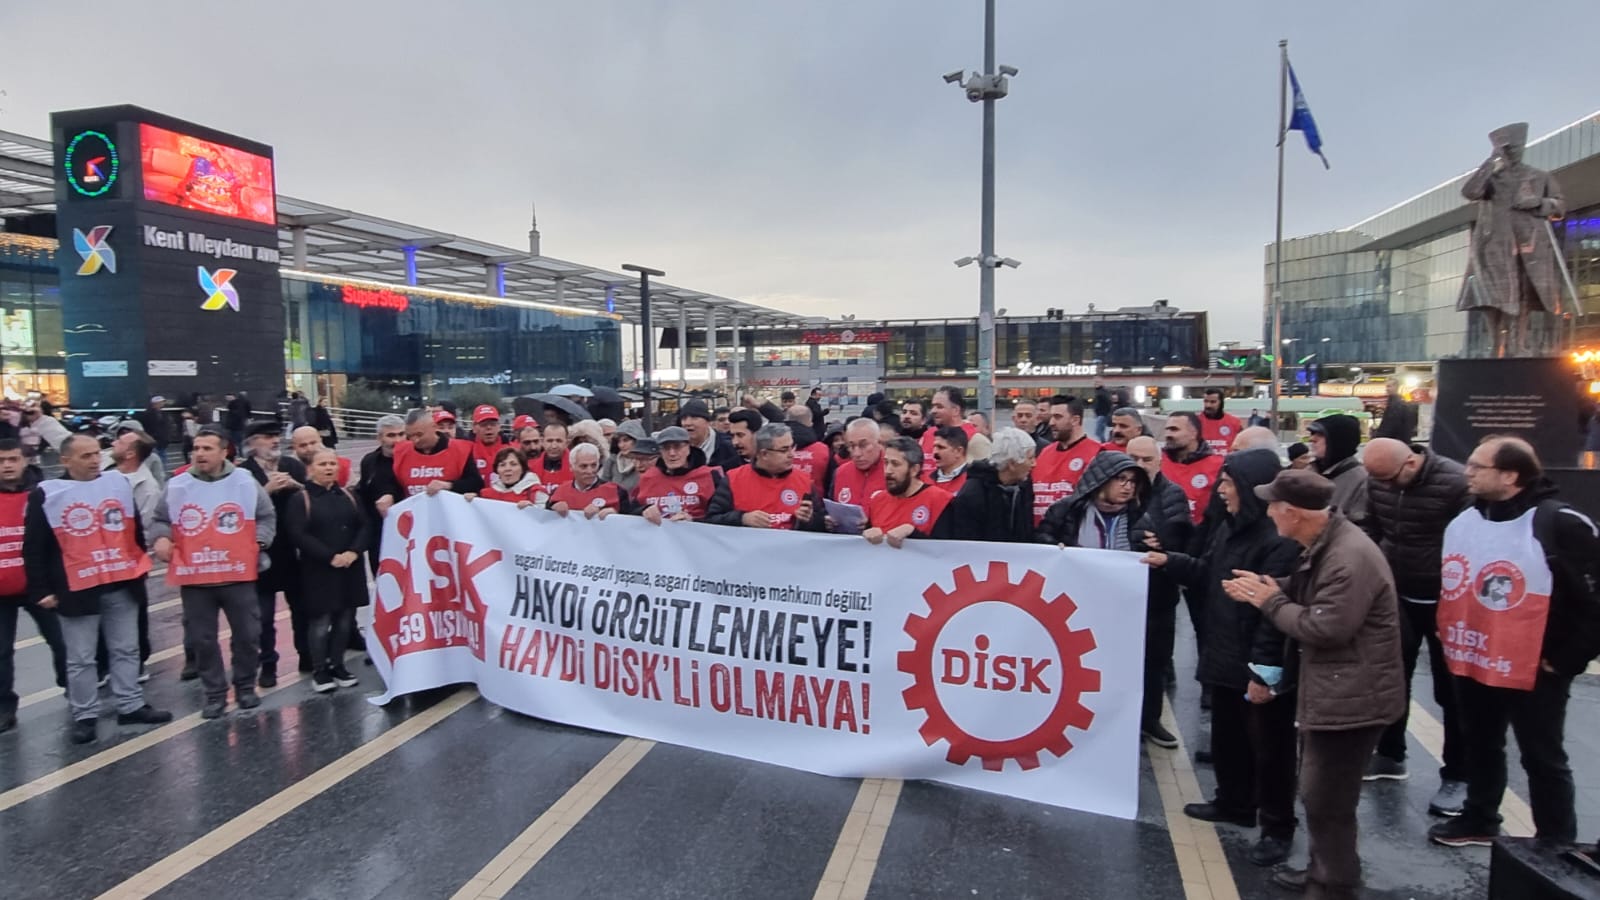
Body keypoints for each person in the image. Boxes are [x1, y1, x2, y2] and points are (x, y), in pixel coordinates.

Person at [1224, 468, 1405, 898]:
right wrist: (1273, 586)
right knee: (1322, 795)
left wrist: (1270, 600)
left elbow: (1325, 628)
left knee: (1328, 799)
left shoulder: (1347, 557)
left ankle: (1333, 884)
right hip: (1341, 690)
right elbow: (1312, 590)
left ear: (1294, 513)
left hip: (1352, 698)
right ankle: (1323, 871)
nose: (1268, 513)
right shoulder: (1328, 543)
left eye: (1273, 506)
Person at [1427, 437, 1600, 849]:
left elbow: (1593, 602)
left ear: (1510, 475)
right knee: (1480, 742)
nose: (1467, 472)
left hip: (1536, 665)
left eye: (1477, 466)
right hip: (1475, 655)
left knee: (1541, 755)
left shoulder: (1561, 524)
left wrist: (1566, 659)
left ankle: (1556, 840)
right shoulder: (1467, 519)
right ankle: (1480, 817)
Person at [1145, 449, 1301, 867]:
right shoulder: (1230, 528)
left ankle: (1277, 828)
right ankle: (1234, 801)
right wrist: (1169, 561)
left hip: (1255, 661)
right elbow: (1207, 573)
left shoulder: (1278, 540)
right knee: (1229, 738)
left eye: (1228, 484)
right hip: (1225, 654)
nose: (1221, 491)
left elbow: (1273, 617)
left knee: (1270, 749)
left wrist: (1265, 673)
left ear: (1249, 488)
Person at [22, 434, 170, 743]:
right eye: (85, 455)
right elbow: (34, 547)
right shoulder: (48, 494)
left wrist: (139, 568)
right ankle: (85, 715)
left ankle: (130, 704)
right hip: (76, 588)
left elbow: (133, 531)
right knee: (81, 657)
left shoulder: (117, 484)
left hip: (121, 582)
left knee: (127, 648)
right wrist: (41, 590)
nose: (94, 460)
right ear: (65, 460)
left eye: (95, 453)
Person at [1360, 438, 1472, 812]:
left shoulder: (1456, 483)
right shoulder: (1378, 480)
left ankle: (1458, 773)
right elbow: (1372, 527)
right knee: (1392, 676)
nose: (1385, 486)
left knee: (1451, 691)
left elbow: (1471, 543)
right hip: (1397, 592)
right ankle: (1390, 752)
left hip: (1447, 598)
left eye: (1389, 478)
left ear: (1410, 463)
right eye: (1378, 480)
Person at [1127, 435, 1194, 749]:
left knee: (1154, 663)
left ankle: (1150, 720)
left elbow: (1175, 538)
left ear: (1159, 461)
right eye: (1133, 459)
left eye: (1146, 460)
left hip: (1159, 595)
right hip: (1121, 595)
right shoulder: (1116, 488)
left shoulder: (1173, 493)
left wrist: (1154, 539)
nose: (1139, 466)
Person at [283, 448, 369, 694]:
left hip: (350, 567)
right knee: (320, 622)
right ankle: (320, 670)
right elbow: (298, 534)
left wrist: (353, 552)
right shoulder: (301, 499)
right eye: (322, 464)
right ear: (310, 469)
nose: (329, 468)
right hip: (319, 570)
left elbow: (364, 526)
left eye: (332, 463)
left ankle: (338, 664)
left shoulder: (349, 495)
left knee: (345, 619)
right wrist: (330, 557)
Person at [0, 438, 65, 733]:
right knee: (1, 652)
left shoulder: (43, 495)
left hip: (39, 586)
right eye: (1, 461)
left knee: (62, 643)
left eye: (12, 459)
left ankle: (76, 692)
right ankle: (4, 707)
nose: (7, 466)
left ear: (26, 461)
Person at [239, 422, 307, 686]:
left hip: (293, 550)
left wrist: (296, 486)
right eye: (267, 437)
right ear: (252, 443)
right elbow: (238, 511)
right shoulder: (243, 473)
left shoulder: (292, 465)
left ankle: (307, 655)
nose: (275, 441)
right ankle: (268, 664)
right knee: (263, 617)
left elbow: (312, 496)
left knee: (302, 609)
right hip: (262, 552)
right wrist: (265, 491)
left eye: (276, 436)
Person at [708, 423, 823, 531]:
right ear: (764, 454)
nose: (792, 454)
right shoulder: (734, 479)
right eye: (784, 450)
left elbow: (822, 523)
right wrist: (742, 518)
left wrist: (810, 520)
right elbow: (711, 520)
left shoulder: (804, 480)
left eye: (792, 447)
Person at [936, 427, 1036, 543]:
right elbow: (966, 541)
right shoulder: (973, 494)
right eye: (1030, 458)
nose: (1034, 464)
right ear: (1012, 463)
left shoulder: (1024, 486)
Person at [1037, 450, 1149, 549]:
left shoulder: (1140, 518)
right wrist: (1055, 546)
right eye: (1121, 479)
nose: (1128, 487)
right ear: (1104, 479)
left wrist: (1148, 548)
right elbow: (1041, 539)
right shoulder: (1067, 510)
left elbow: (1147, 557)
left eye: (1133, 481)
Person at [375, 408, 485, 500]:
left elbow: (476, 483)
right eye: (410, 436)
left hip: (449, 513)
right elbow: (389, 480)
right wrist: (388, 494)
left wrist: (449, 485)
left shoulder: (461, 450)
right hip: (414, 514)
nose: (415, 440)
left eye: (419, 434)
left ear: (434, 427)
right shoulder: (401, 451)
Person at [863, 438, 953, 546]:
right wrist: (866, 535)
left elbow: (947, 549)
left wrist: (913, 533)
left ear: (914, 470)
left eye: (895, 464)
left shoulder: (940, 500)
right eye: (886, 463)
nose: (888, 471)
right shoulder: (878, 500)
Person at [635, 426, 730, 524]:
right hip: (657, 532)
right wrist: (643, 510)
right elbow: (630, 510)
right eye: (666, 448)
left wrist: (693, 521)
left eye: (677, 447)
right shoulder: (648, 477)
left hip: (698, 532)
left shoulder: (710, 475)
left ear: (688, 447)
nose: (672, 453)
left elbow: (721, 516)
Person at [1031, 396, 1103, 526]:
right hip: (1040, 532)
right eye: (1051, 417)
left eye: (1058, 417)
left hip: (1072, 532)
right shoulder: (1045, 452)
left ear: (1075, 420)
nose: (1051, 422)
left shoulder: (1097, 453)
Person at [355, 414, 405, 572]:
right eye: (391, 435)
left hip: (408, 533)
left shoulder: (415, 460)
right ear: (379, 438)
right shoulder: (369, 461)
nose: (397, 440)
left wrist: (393, 496)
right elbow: (364, 492)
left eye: (401, 434)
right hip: (379, 535)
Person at [1161, 412, 1223, 525]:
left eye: (1174, 429)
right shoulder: (1158, 462)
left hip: (1203, 533)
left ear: (1193, 433)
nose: (1168, 434)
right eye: (1167, 429)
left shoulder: (1218, 465)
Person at [1307, 414, 1368, 529]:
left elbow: (1360, 529)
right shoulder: (1308, 472)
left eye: (1320, 435)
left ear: (1338, 441)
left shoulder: (1361, 481)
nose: (1312, 439)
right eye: (1312, 433)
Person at [547, 443, 633, 518]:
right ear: (571, 467)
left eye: (594, 465)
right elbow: (545, 522)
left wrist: (615, 515)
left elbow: (631, 522)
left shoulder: (617, 491)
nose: (590, 471)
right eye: (583, 466)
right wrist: (552, 510)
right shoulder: (558, 493)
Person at [919, 387, 989, 477]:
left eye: (939, 407)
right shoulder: (927, 435)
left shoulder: (976, 441)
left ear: (956, 410)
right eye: (933, 406)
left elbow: (982, 479)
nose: (933, 411)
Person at [831, 418, 886, 505]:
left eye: (863, 445)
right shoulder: (840, 473)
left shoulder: (895, 473)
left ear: (879, 443)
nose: (857, 454)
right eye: (851, 446)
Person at [678, 400, 742, 471]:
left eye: (694, 418)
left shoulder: (729, 447)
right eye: (684, 419)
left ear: (708, 422)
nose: (687, 423)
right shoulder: (676, 448)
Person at [475, 446, 546, 507]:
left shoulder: (536, 492)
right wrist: (472, 500)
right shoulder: (486, 494)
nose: (507, 469)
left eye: (513, 464)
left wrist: (533, 509)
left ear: (523, 468)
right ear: (497, 470)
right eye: (502, 465)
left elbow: (545, 516)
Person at [785, 406, 834, 493]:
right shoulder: (823, 450)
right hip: (814, 498)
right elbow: (831, 483)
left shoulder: (774, 448)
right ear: (810, 423)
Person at [602, 419, 648, 496]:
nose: (621, 445)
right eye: (619, 441)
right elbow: (603, 487)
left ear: (637, 440)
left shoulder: (647, 462)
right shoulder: (612, 461)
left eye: (626, 440)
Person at [467, 405, 510, 481]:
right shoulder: (465, 451)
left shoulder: (512, 449)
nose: (489, 427)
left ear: (499, 427)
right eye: (483, 424)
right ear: (474, 428)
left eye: (493, 424)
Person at [1200, 388, 1244, 455]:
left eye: (1213, 402)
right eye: (1206, 401)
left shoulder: (1235, 423)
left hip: (1227, 461)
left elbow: (1242, 446)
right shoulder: (1195, 423)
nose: (1208, 405)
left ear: (1221, 403)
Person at [929, 426, 971, 494]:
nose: (935, 452)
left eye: (940, 447)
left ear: (958, 451)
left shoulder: (973, 480)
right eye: (934, 447)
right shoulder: (926, 480)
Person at [135, 395, 173, 461]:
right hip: (152, 440)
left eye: (163, 402)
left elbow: (166, 427)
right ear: (155, 403)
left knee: (162, 458)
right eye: (161, 402)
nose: (163, 403)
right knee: (155, 458)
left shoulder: (164, 414)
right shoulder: (147, 414)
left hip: (162, 441)